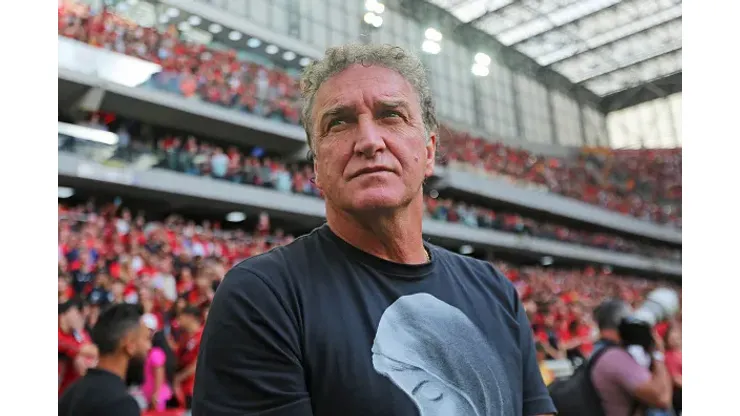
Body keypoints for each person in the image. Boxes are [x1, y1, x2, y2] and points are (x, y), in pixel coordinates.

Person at [193, 43, 556, 416]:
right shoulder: (264, 296)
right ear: (316, 167)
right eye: (338, 122)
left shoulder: (494, 290)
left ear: (429, 152)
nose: (368, 141)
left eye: (391, 115)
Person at [59, 303, 152, 416]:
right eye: (146, 339)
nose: (149, 347)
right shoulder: (121, 404)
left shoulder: (71, 393)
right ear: (130, 344)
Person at [590, 299, 673, 416]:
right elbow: (662, 399)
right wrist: (658, 354)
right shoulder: (615, 357)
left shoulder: (599, 349)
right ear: (623, 322)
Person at [58, 298, 97, 396]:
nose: (81, 318)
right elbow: (83, 350)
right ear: (65, 314)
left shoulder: (79, 333)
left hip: (72, 393)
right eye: (77, 313)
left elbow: (93, 351)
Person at [174, 305, 204, 411]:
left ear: (190, 317)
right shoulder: (185, 337)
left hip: (194, 388)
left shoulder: (203, 335)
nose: (179, 320)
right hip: (183, 389)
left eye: (181, 316)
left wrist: (179, 378)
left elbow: (198, 363)